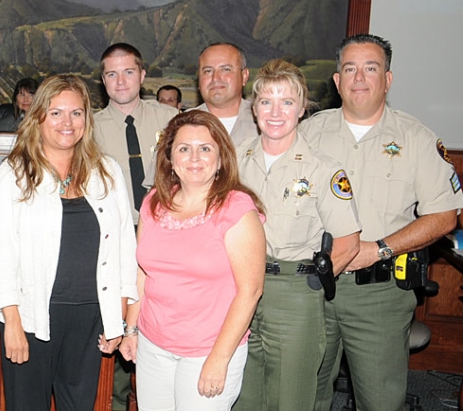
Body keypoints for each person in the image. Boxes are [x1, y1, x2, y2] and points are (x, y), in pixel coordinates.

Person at [301, 34, 463, 411]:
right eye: (350, 69)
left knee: (380, 402)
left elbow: (444, 215)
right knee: (304, 396)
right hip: (310, 289)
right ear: (337, 81)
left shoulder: (417, 139)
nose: (359, 78)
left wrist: (379, 249)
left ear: (387, 80)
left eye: (370, 68)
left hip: (378, 295)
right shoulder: (307, 133)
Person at [0, 74, 138, 410]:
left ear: (87, 119)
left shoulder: (107, 171)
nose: (67, 122)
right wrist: (11, 322)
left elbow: (126, 247)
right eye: (56, 113)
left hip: (91, 319)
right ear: (38, 117)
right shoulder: (14, 174)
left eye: (76, 113)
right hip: (32, 316)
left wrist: (120, 321)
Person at [232, 59, 361, 410]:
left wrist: (311, 285)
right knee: (241, 398)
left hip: (294, 295)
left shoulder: (323, 169)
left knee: (290, 400)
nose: (276, 112)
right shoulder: (234, 159)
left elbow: (348, 242)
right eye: (267, 101)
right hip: (238, 289)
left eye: (287, 102)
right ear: (253, 107)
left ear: (302, 109)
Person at [121, 110, 266, 410]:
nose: (194, 158)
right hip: (153, 345)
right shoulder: (154, 202)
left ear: (221, 158)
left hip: (207, 350)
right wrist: (131, 330)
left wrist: (219, 358)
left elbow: (250, 291)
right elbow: (141, 273)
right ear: (170, 159)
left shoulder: (237, 208)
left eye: (205, 148)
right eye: (184, 149)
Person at [92, 42, 176, 409]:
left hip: (165, 242)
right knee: (113, 334)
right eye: (111, 73)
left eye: (128, 71)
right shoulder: (88, 126)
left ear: (142, 76)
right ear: (102, 80)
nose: (120, 80)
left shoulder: (170, 119)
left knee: (160, 339)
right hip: (113, 244)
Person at [190, 43, 257, 145]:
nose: (215, 78)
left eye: (225, 70)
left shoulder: (267, 122)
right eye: (208, 71)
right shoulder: (180, 124)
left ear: (244, 76)